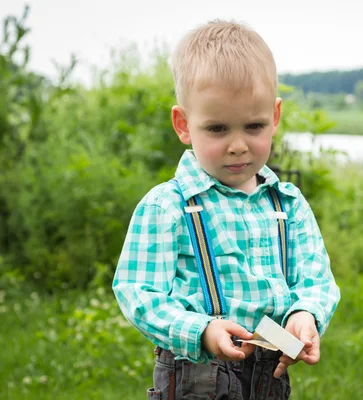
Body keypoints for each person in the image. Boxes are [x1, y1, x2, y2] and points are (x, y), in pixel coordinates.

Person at [112, 19, 340, 400]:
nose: (238, 145)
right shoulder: (168, 206)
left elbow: (316, 279)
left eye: (253, 126)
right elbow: (139, 292)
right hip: (195, 377)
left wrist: (304, 316)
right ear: (184, 125)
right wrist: (201, 330)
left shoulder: (288, 205)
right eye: (218, 129)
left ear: (275, 118)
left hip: (271, 370)